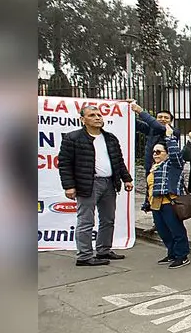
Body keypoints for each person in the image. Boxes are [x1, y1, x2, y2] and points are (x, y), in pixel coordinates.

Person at [57, 105, 134, 266]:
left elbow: (118, 161)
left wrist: (126, 179)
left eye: (99, 114)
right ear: (83, 120)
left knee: (108, 219)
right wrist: (69, 186)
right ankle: (84, 256)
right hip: (88, 184)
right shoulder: (73, 138)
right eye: (92, 115)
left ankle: (103, 250)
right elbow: (64, 164)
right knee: (86, 221)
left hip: (109, 183)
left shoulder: (110, 138)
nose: (98, 117)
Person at [142, 125, 190, 268]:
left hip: (170, 203)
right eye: (154, 152)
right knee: (163, 231)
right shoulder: (153, 168)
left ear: (167, 154)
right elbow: (150, 188)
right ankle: (172, 253)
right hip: (156, 204)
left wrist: (170, 138)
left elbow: (176, 155)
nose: (155, 154)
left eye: (159, 151)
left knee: (176, 230)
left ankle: (182, 255)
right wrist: (147, 204)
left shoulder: (172, 164)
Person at [134, 107, 179, 174]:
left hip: (166, 168)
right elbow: (136, 124)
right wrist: (128, 109)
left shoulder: (174, 131)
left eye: (166, 118)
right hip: (150, 167)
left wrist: (141, 112)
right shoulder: (151, 130)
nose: (163, 119)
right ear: (156, 119)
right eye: (160, 117)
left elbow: (159, 127)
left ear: (171, 121)